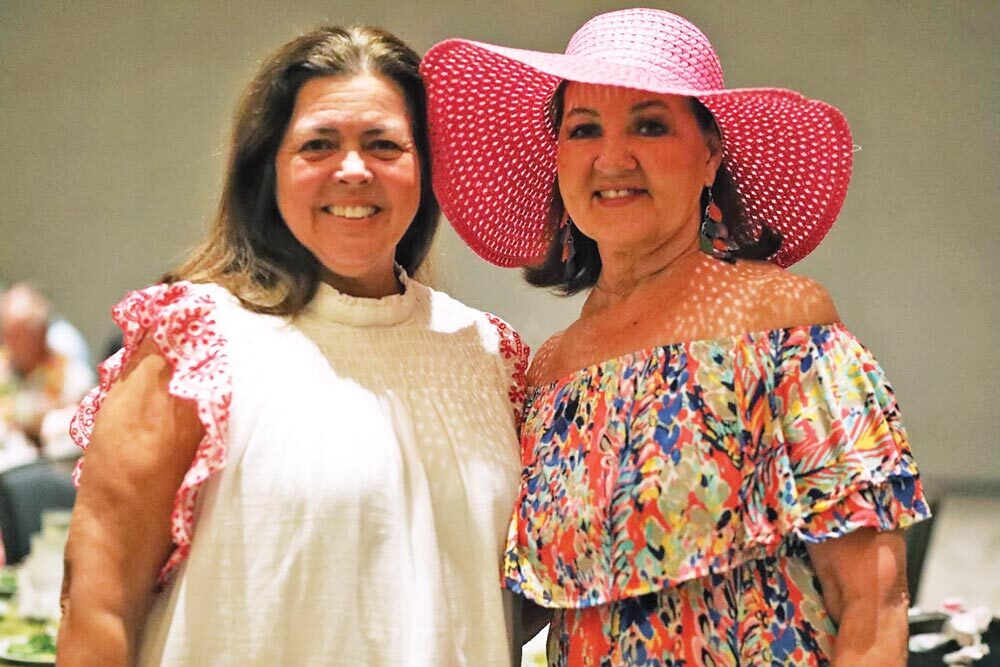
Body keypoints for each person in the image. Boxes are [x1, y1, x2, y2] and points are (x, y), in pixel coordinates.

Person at [421, 8, 929, 665]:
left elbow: (872, 603)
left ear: (711, 152)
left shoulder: (779, 324)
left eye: (650, 124)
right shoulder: (550, 373)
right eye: (583, 129)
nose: (612, 157)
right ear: (559, 157)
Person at [58, 25, 528, 666]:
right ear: (268, 171)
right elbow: (99, 607)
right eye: (319, 144)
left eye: (385, 144)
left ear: (427, 170)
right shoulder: (195, 344)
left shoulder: (488, 356)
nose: (355, 169)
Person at [0, 284, 94, 464]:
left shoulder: (73, 377)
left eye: (19, 334)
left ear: (42, 334)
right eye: (7, 333)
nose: (10, 342)